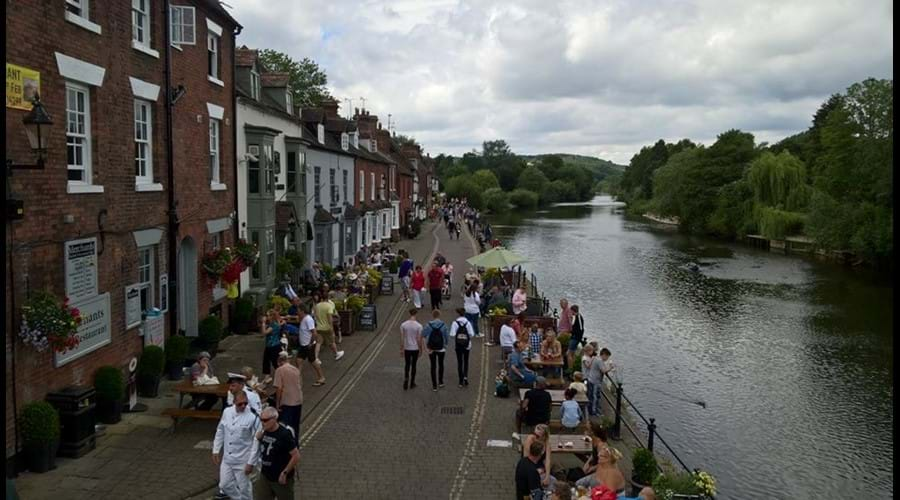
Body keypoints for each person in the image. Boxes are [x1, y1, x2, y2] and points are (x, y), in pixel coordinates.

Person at [212, 391, 260, 500]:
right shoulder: (227, 412)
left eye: (245, 403)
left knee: (244, 488)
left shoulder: (253, 417)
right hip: (227, 459)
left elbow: (256, 442)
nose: (243, 406)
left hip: (243, 460)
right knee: (224, 485)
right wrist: (216, 450)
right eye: (240, 404)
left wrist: (251, 463)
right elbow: (220, 430)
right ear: (234, 402)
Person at [253, 407, 300, 500]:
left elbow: (296, 456)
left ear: (274, 419)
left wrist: (285, 473)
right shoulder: (265, 431)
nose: (262, 423)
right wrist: (260, 438)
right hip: (265, 475)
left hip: (280, 478)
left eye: (265, 420)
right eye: (261, 420)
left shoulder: (284, 434)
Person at [294, 303, 326, 387]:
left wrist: (311, 343)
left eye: (298, 310)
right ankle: (298, 380)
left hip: (308, 345)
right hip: (303, 345)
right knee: (298, 361)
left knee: (313, 361)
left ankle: (321, 377)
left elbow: (314, 332)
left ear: (302, 310)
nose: (297, 312)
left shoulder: (308, 319)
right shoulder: (303, 319)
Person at [273, 352, 302, 444]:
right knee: (295, 426)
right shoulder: (296, 370)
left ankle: (287, 448)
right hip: (298, 401)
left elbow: (279, 388)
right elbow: (300, 384)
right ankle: (295, 445)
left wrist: (277, 404)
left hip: (287, 402)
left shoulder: (280, 370)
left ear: (279, 362)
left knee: (286, 427)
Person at [422, 308, 449, 391]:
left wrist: (426, 347)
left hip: (431, 348)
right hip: (441, 348)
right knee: (441, 365)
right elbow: (446, 336)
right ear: (439, 315)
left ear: (433, 315)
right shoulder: (443, 325)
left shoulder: (428, 325)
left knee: (433, 366)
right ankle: (440, 382)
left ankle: (434, 386)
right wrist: (446, 345)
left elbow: (423, 335)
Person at [521, 423, 554, 490]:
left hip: (540, 464)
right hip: (530, 464)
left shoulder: (546, 442)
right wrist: (534, 471)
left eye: (538, 436)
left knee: (550, 480)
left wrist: (547, 476)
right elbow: (526, 458)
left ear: (544, 436)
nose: (536, 437)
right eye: (535, 434)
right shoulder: (530, 439)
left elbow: (547, 460)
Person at [314, 292, 344, 362]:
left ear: (321, 298)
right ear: (327, 298)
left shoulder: (317, 306)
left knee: (318, 343)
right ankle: (336, 354)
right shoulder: (329, 306)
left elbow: (315, 316)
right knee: (332, 342)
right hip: (327, 327)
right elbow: (330, 318)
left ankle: (315, 357)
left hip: (319, 327)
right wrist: (332, 328)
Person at [400, 308, 424, 390]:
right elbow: (419, 339)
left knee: (407, 364)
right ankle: (412, 382)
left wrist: (401, 348)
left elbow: (402, 338)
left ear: (409, 314)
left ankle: (406, 377)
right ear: (416, 314)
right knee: (414, 365)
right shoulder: (419, 326)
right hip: (415, 348)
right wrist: (421, 349)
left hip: (407, 348)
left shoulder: (403, 325)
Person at [449, 307, 474, 387]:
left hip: (458, 345)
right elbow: (472, 334)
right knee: (466, 361)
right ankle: (466, 377)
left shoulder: (455, 323)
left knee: (460, 362)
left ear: (458, 314)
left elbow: (452, 334)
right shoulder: (468, 323)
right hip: (467, 345)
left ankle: (460, 380)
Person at [582, 344, 601, 417]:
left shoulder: (588, 357)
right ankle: (589, 409)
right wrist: (593, 359)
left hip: (589, 377)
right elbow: (588, 366)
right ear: (588, 351)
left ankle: (590, 408)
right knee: (588, 392)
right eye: (592, 351)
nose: (593, 352)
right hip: (586, 377)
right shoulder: (584, 358)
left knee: (590, 392)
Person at [262, 310, 283, 375]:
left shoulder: (273, 325)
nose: (266, 317)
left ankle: (281, 375)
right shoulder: (274, 324)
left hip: (273, 346)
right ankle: (267, 376)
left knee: (275, 363)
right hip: (270, 346)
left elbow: (264, 333)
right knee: (266, 362)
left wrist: (263, 323)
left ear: (271, 317)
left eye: (267, 315)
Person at [567, 305, 585, 370]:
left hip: (575, 338)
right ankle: (572, 367)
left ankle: (570, 368)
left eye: (571, 311)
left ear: (573, 310)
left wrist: (577, 337)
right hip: (575, 337)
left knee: (569, 353)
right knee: (572, 353)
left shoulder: (579, 317)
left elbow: (581, 329)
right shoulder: (576, 317)